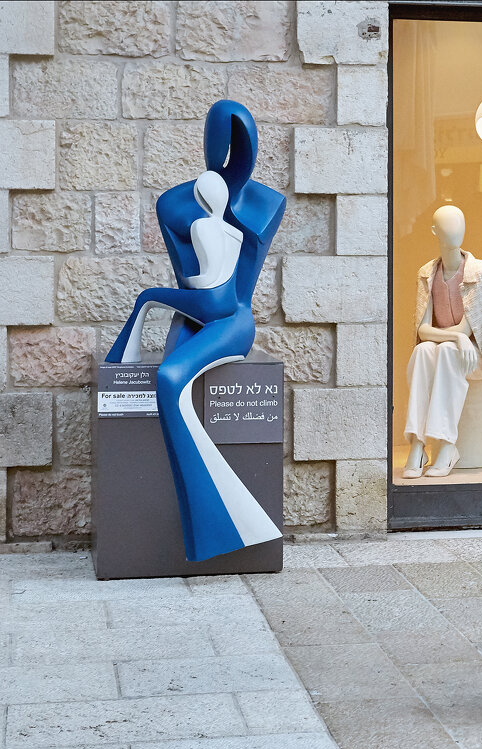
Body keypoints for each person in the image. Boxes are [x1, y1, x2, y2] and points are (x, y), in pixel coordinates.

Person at [106, 100, 286, 562]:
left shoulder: (264, 205)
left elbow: (222, 295)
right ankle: (216, 525)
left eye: (230, 134)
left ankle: (220, 527)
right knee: (169, 380)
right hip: (198, 315)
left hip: (229, 319)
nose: (223, 146)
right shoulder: (175, 203)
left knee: (168, 380)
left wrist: (152, 300)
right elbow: (191, 278)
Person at [403, 205, 482, 478]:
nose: (456, 230)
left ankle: (447, 445)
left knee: (448, 352)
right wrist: (455, 337)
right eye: (448, 225)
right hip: (451, 347)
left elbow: (469, 328)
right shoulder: (427, 273)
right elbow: (423, 330)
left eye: (459, 223)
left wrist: (459, 338)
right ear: (434, 231)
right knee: (422, 351)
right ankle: (417, 444)